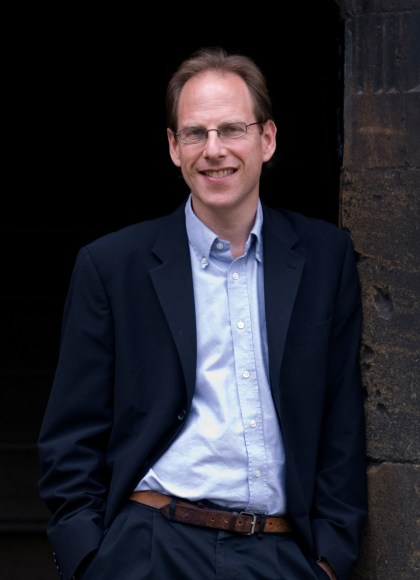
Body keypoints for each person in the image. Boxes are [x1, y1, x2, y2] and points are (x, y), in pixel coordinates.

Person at [38, 46, 367, 580]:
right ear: (174, 147)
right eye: (196, 133)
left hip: (281, 555)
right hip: (149, 548)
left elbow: (343, 420)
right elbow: (70, 435)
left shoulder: (325, 258)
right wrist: (88, 559)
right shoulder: (112, 266)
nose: (214, 150)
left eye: (232, 129)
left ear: (267, 139)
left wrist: (330, 558)